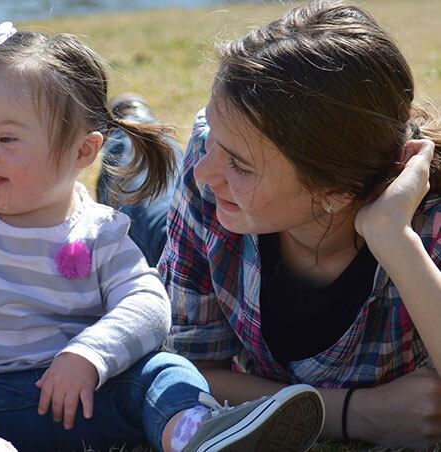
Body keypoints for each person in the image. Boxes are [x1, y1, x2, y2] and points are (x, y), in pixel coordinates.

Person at [0, 22, 324, 452]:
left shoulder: (102, 230)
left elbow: (148, 304)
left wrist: (90, 355)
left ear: (82, 151)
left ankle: (196, 433)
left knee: (164, 370)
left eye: (7, 138)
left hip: (88, 395)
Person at [101, 1, 441, 449]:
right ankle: (131, 133)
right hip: (189, 228)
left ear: (335, 192)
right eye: (214, 143)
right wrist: (356, 414)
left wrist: (394, 237)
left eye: (239, 164)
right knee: (141, 199)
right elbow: (183, 369)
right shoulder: (208, 168)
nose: (205, 172)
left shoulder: (427, 217)